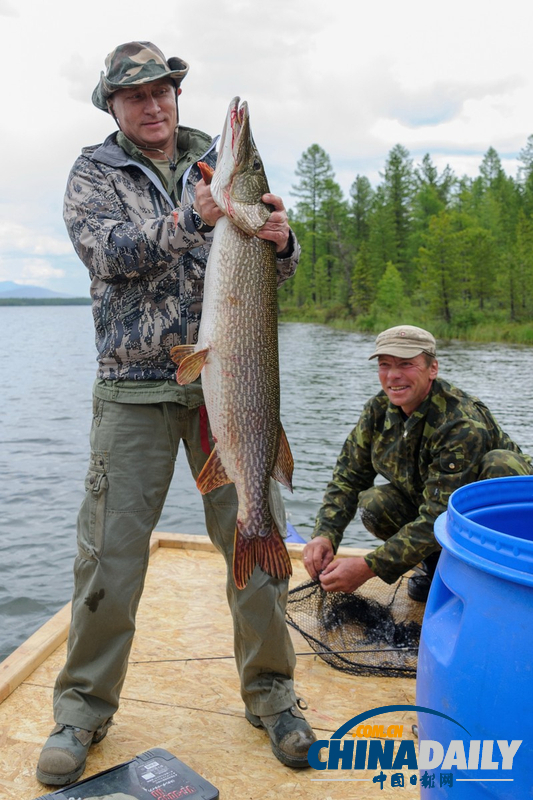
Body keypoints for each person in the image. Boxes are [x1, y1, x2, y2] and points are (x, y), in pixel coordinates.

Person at [36, 41, 315, 786]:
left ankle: (274, 695)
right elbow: (108, 256)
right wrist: (194, 217)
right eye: (135, 97)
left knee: (256, 547)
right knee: (109, 559)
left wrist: (282, 242)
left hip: (230, 388)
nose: (153, 106)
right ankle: (83, 711)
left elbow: (264, 265)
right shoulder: (94, 173)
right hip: (133, 391)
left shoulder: (216, 166)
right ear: (114, 107)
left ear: (174, 96)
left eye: (162, 91)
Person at [303, 324, 533, 600]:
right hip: (437, 510)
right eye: (385, 364)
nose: (393, 375)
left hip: (497, 526)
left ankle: (500, 579)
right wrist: (325, 535)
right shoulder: (377, 411)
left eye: (406, 364)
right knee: (374, 504)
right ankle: (437, 568)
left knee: (501, 465)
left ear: (432, 369)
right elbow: (348, 479)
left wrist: (369, 567)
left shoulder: (460, 422)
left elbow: (441, 514)